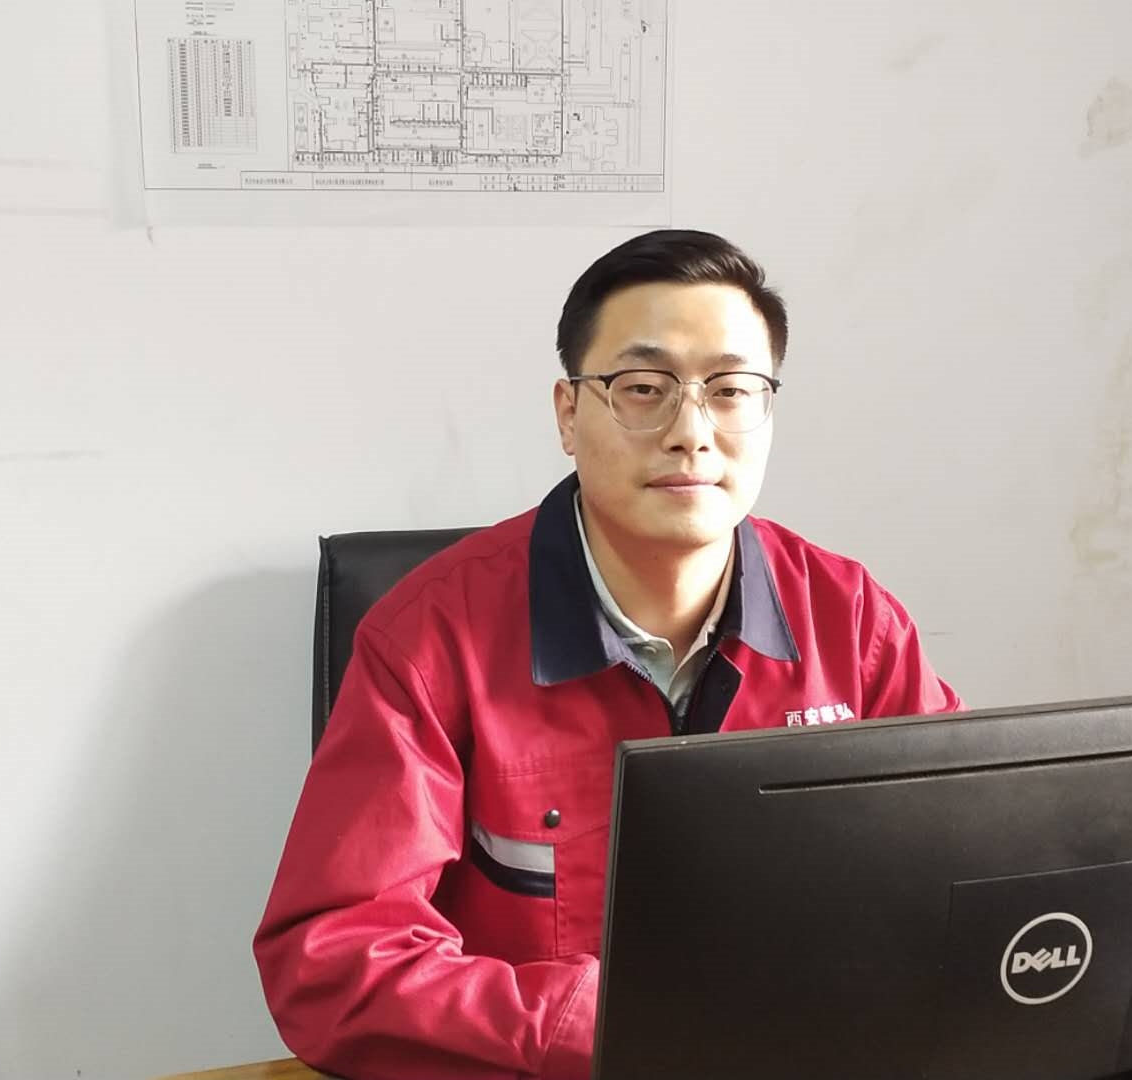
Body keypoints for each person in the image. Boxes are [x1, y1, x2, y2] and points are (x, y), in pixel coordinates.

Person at [251, 229, 965, 1079]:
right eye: (643, 389)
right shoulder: (430, 637)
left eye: (732, 391)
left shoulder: (851, 620)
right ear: (568, 413)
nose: (691, 433)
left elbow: (958, 881)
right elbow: (332, 960)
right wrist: (605, 1030)